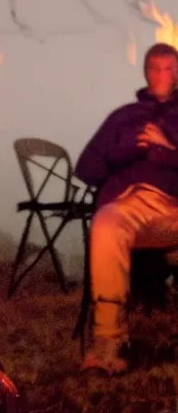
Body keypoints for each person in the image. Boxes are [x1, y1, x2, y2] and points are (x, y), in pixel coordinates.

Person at [75, 42, 178, 374]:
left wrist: (167, 149)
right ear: (146, 72)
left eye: (170, 67)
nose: (163, 74)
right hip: (131, 204)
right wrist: (125, 150)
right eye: (156, 67)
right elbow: (86, 169)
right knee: (106, 224)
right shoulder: (123, 116)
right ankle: (109, 339)